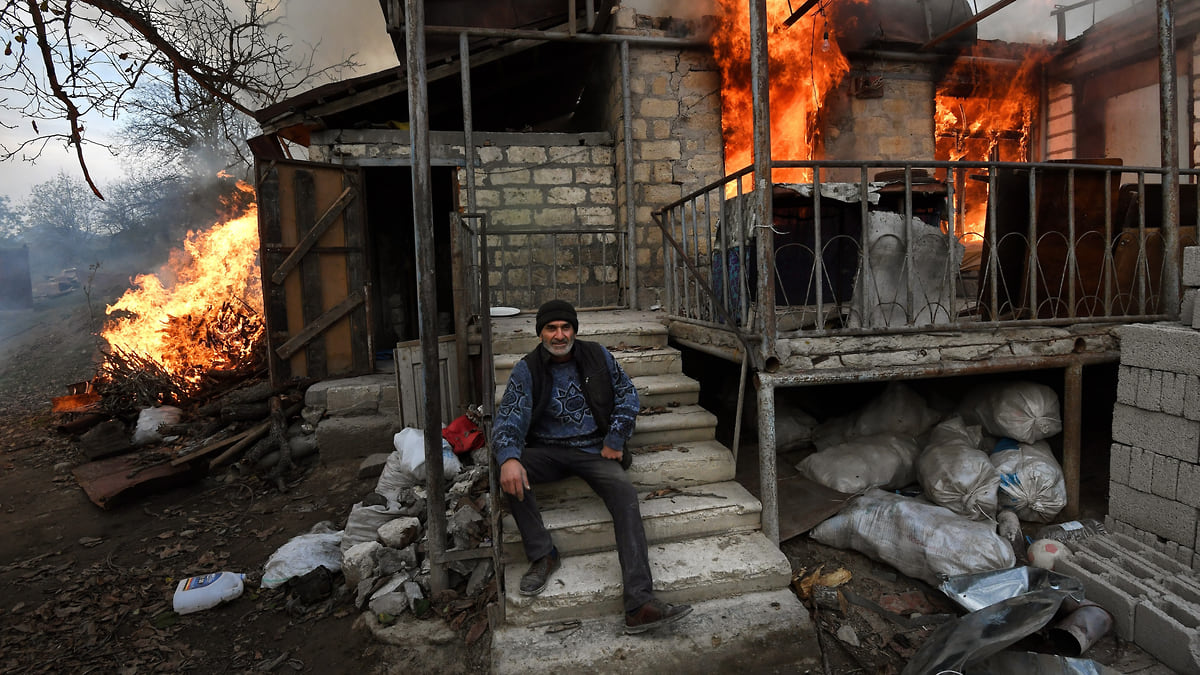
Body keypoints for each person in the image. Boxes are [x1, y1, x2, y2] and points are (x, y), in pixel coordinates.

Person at [493, 299, 693, 634]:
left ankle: (638, 603)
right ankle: (543, 554)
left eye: (565, 327)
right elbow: (508, 420)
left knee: (626, 496)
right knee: (509, 470)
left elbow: (628, 395)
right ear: (540, 332)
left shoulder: (598, 356)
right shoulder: (526, 369)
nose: (559, 335)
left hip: (594, 451)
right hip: (548, 451)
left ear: (575, 329)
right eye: (551, 328)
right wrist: (509, 458)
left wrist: (615, 438)